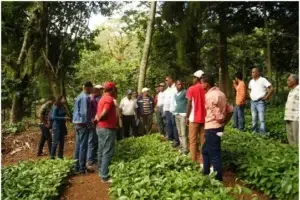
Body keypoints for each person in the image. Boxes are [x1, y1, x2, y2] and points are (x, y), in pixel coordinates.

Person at [201, 74, 233, 181]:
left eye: (202, 83)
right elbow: (230, 109)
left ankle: (218, 179)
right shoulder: (221, 94)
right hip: (219, 128)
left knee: (215, 154)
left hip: (212, 128)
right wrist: (224, 123)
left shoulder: (209, 96)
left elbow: (218, 116)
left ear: (207, 84)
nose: (201, 85)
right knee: (205, 150)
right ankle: (205, 172)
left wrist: (221, 119)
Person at [95, 82, 117, 183]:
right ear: (112, 89)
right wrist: (100, 118)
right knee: (107, 151)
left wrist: (97, 119)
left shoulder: (102, 98)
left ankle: (101, 171)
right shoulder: (109, 99)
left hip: (100, 128)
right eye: (114, 88)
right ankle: (104, 176)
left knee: (101, 149)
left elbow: (97, 113)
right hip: (107, 128)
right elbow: (104, 112)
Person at [73, 81, 93, 174]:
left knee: (78, 146)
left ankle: (76, 166)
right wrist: (89, 124)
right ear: (88, 88)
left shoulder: (79, 96)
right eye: (91, 88)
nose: (92, 90)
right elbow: (84, 113)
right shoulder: (85, 97)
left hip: (77, 124)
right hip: (82, 124)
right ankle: (82, 168)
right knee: (83, 146)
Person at [186, 70, 206, 162]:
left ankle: (193, 162)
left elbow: (189, 104)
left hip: (194, 119)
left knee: (193, 142)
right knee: (203, 142)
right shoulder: (206, 88)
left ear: (196, 78)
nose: (192, 79)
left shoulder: (191, 89)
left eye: (193, 77)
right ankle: (203, 162)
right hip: (205, 119)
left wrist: (187, 116)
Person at [248, 68, 274, 134]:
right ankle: (254, 132)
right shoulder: (251, 81)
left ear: (258, 73)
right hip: (253, 102)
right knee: (254, 119)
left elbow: (271, 88)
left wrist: (266, 97)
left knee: (261, 119)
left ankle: (262, 133)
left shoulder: (263, 80)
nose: (252, 73)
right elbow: (249, 89)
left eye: (254, 72)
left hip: (260, 102)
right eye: (252, 72)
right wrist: (250, 95)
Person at [87, 85, 104, 168]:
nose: (100, 92)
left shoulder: (95, 98)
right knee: (91, 141)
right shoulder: (91, 99)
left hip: (95, 121)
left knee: (95, 140)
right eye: (99, 91)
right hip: (92, 122)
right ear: (95, 92)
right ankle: (90, 160)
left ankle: (93, 158)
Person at [171, 80, 188, 155]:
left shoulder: (185, 92)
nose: (179, 86)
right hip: (176, 114)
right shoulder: (175, 94)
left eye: (180, 84)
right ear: (176, 86)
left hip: (183, 115)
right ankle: (181, 147)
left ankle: (185, 149)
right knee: (179, 132)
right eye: (178, 84)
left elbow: (189, 102)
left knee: (184, 133)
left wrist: (187, 114)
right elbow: (175, 104)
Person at [163, 75, 180, 147]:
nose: (166, 82)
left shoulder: (175, 88)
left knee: (174, 125)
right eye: (165, 80)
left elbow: (177, 99)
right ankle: (170, 138)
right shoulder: (167, 89)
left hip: (172, 110)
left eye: (167, 80)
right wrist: (164, 109)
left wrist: (175, 109)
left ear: (171, 80)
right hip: (167, 110)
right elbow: (165, 100)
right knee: (168, 124)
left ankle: (176, 140)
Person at [284, 74, 299, 146]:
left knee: (297, 139)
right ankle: (293, 154)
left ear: (294, 81)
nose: (287, 82)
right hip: (288, 117)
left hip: (296, 118)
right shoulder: (291, 91)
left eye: (289, 80)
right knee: (291, 139)